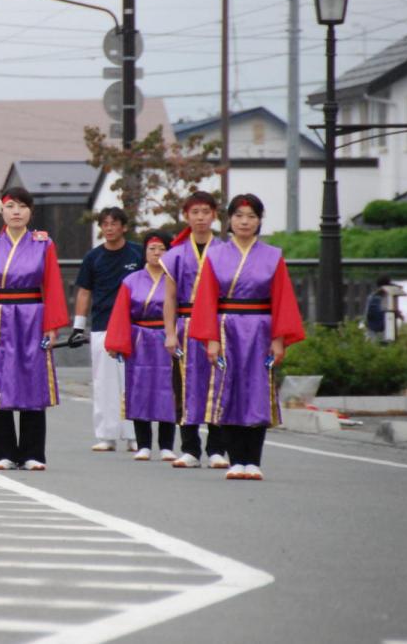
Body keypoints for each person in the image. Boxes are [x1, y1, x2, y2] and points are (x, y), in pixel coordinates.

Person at [190, 194, 305, 481]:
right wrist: (211, 338)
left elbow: (281, 299)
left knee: (257, 391)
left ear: (259, 221)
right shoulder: (216, 255)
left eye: (251, 216)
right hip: (226, 328)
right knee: (227, 392)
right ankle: (234, 459)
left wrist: (278, 338)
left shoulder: (272, 256)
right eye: (239, 216)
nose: (244, 221)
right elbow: (206, 299)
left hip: (260, 331)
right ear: (229, 220)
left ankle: (253, 460)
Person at [0, 187, 69, 471]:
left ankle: (33, 453)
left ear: (31, 211)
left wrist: (52, 326)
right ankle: (4, 452)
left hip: (34, 316)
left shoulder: (43, 244)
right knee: (0, 382)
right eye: (10, 206)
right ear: (2, 210)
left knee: (33, 380)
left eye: (22, 206)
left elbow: (54, 286)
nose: (17, 211)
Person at [161, 191, 229, 470]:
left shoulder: (226, 251)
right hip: (186, 324)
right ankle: (189, 448)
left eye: (205, 212)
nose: (200, 218)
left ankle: (217, 448)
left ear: (214, 215)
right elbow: (169, 298)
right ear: (186, 216)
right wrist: (169, 332)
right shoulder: (176, 255)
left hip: (219, 326)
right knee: (185, 385)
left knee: (219, 385)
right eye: (195, 212)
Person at [69, 207, 143, 453]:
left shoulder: (138, 253)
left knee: (133, 381)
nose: (109, 228)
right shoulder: (93, 257)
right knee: (104, 382)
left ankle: (135, 435)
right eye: (105, 224)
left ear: (123, 226)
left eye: (114, 223)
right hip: (103, 325)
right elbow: (84, 291)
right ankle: (106, 435)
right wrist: (79, 326)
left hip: (134, 325)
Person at [104, 230, 177, 462]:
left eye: (162, 249)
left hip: (167, 339)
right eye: (152, 249)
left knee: (169, 391)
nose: (156, 253)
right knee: (139, 390)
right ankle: (143, 444)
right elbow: (121, 314)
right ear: (144, 252)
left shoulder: (174, 280)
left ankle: (166, 445)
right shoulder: (131, 280)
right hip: (140, 340)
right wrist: (117, 342)